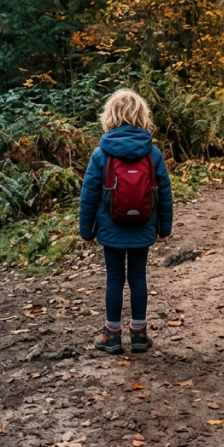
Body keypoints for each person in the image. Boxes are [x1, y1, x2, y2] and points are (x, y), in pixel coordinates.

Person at [79, 89, 174, 354]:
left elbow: (88, 196)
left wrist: (86, 231)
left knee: (114, 279)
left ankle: (111, 336)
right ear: (142, 116)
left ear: (110, 116)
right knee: (138, 277)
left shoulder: (101, 153)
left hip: (111, 226)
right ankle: (139, 334)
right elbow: (164, 194)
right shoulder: (152, 153)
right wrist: (163, 229)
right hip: (143, 225)